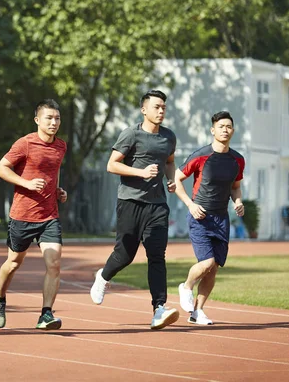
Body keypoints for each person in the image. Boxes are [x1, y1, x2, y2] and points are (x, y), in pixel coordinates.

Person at [89, 89, 180, 330]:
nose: (161, 111)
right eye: (156, 107)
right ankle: (103, 276)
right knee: (125, 255)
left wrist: (170, 180)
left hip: (158, 205)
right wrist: (141, 172)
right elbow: (111, 165)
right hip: (131, 202)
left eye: (163, 107)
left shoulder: (169, 137)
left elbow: (169, 162)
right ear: (144, 110)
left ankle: (159, 308)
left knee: (157, 255)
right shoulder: (131, 134)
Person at [0, 99, 68, 330]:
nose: (54, 122)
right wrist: (26, 183)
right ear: (37, 120)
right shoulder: (25, 144)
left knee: (54, 263)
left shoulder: (61, 146)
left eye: (57, 118)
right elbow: (0, 169)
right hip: (22, 215)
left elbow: (54, 172)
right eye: (49, 118)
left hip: (49, 216)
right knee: (13, 263)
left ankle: (46, 314)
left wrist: (58, 191)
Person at [174, 110, 245, 325]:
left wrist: (238, 201)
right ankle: (186, 287)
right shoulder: (200, 155)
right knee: (207, 262)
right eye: (221, 126)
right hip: (200, 216)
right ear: (212, 130)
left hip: (221, 218)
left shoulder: (237, 160)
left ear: (233, 131)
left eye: (229, 126)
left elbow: (236, 187)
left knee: (213, 269)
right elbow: (177, 180)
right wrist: (190, 205)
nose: (225, 129)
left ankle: (198, 312)